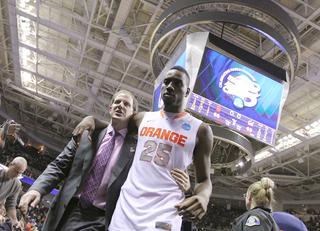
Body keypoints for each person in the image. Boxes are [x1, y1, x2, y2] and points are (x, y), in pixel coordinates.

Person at [19, 90, 191, 231]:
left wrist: (182, 185)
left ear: (134, 114)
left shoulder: (139, 149)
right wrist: (37, 189)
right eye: (117, 102)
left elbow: (154, 175)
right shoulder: (87, 135)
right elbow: (59, 166)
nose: (120, 106)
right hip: (64, 210)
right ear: (110, 108)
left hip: (99, 219)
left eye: (126, 104)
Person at [74, 66, 213, 230]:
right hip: (127, 208)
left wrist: (203, 196)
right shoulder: (142, 118)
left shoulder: (200, 130)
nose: (170, 86)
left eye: (177, 83)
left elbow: (204, 180)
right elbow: (115, 128)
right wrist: (92, 120)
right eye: (166, 82)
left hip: (165, 212)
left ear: (187, 91)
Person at [0, 157, 26, 230]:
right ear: (10, 165)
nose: (17, 174)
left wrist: (15, 221)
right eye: (16, 171)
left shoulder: (17, 184)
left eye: (20, 173)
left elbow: (10, 205)